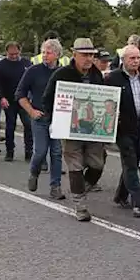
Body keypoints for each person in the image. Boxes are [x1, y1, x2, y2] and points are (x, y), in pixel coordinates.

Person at [41, 37, 108, 222]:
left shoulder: (96, 74)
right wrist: (57, 118)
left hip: (92, 128)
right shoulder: (61, 74)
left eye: (91, 55)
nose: (88, 58)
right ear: (74, 54)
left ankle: (80, 188)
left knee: (97, 164)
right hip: (69, 128)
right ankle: (80, 206)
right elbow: (47, 99)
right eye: (84, 55)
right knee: (75, 165)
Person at [18, 39, 64, 199]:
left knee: (57, 153)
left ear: (57, 55)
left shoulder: (63, 72)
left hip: (58, 118)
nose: (45, 55)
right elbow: (20, 94)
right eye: (43, 52)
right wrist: (31, 111)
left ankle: (55, 186)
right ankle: (34, 172)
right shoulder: (33, 71)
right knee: (40, 151)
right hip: (39, 117)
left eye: (49, 52)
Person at [106, 46, 140, 218]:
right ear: (123, 59)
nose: (136, 61)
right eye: (132, 58)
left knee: (135, 161)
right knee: (130, 162)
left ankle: (120, 195)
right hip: (123, 128)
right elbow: (106, 101)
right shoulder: (113, 78)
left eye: (138, 58)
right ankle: (138, 202)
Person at [0, 41, 30, 162]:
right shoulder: (1, 65)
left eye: (16, 54)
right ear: (6, 53)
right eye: (11, 54)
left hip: (24, 100)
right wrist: (1, 97)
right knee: (10, 125)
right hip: (9, 100)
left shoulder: (26, 63)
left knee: (28, 125)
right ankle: (10, 151)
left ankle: (29, 151)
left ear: (19, 51)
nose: (13, 56)